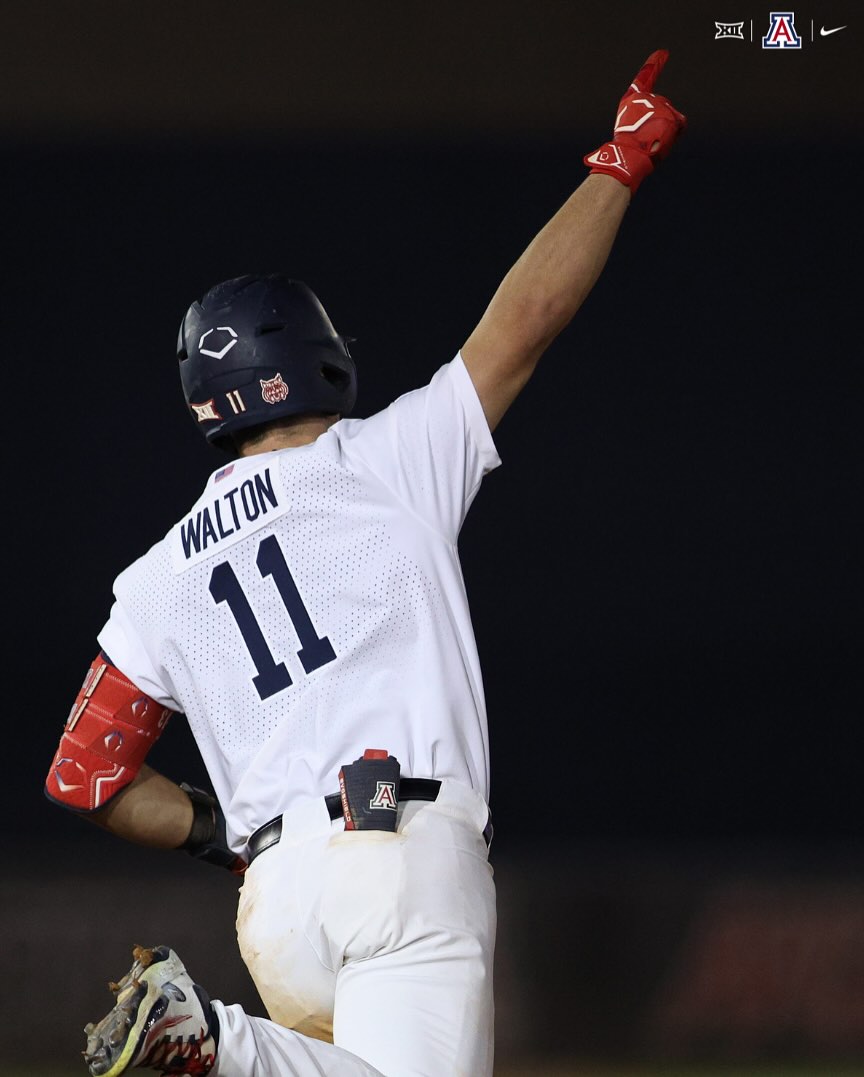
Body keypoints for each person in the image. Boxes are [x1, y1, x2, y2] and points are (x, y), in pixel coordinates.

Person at [45, 50, 685, 1077]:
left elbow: (86, 775)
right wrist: (621, 161)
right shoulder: (382, 462)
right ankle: (222, 1041)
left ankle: (222, 1039)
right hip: (398, 850)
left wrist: (217, 833)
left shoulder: (157, 578)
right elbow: (525, 322)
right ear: (315, 353)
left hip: (276, 898)